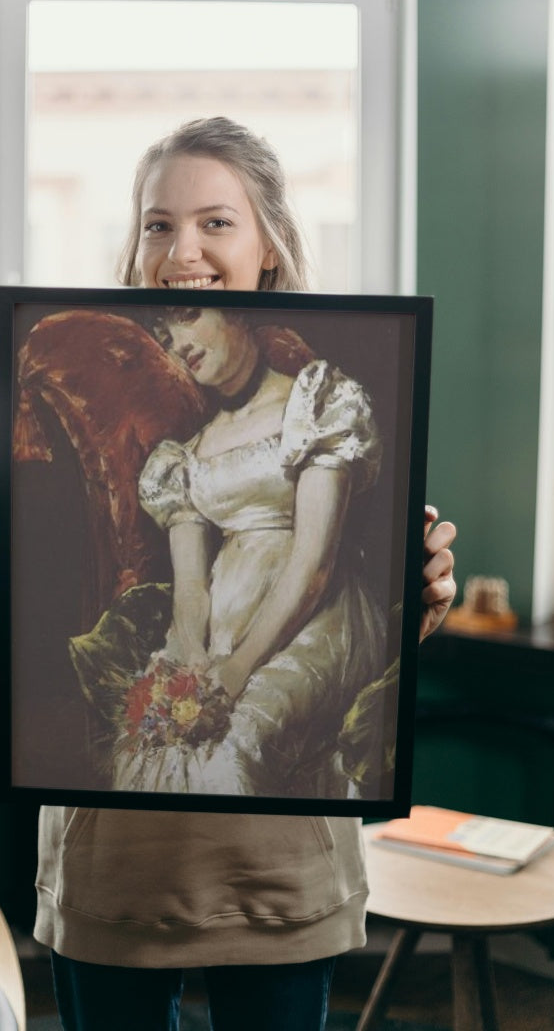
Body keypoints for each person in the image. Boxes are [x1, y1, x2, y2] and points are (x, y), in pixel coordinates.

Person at [0, 117, 457, 1031]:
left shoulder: (323, 401)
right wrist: (0, 588)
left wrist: (413, 603)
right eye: (157, 224)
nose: (180, 250)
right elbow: (31, 675)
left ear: (268, 245)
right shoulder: (178, 453)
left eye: (214, 222)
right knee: (151, 725)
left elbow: (320, 577)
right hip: (114, 875)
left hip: (274, 875)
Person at [108, 305, 385, 800]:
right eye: (166, 336)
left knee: (242, 743)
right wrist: (195, 662)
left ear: (241, 314)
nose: (179, 343)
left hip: (310, 614)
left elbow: (313, 563)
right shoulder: (183, 457)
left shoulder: (315, 405)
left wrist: (239, 667)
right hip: (220, 621)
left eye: (189, 316)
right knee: (149, 747)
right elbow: (191, 585)